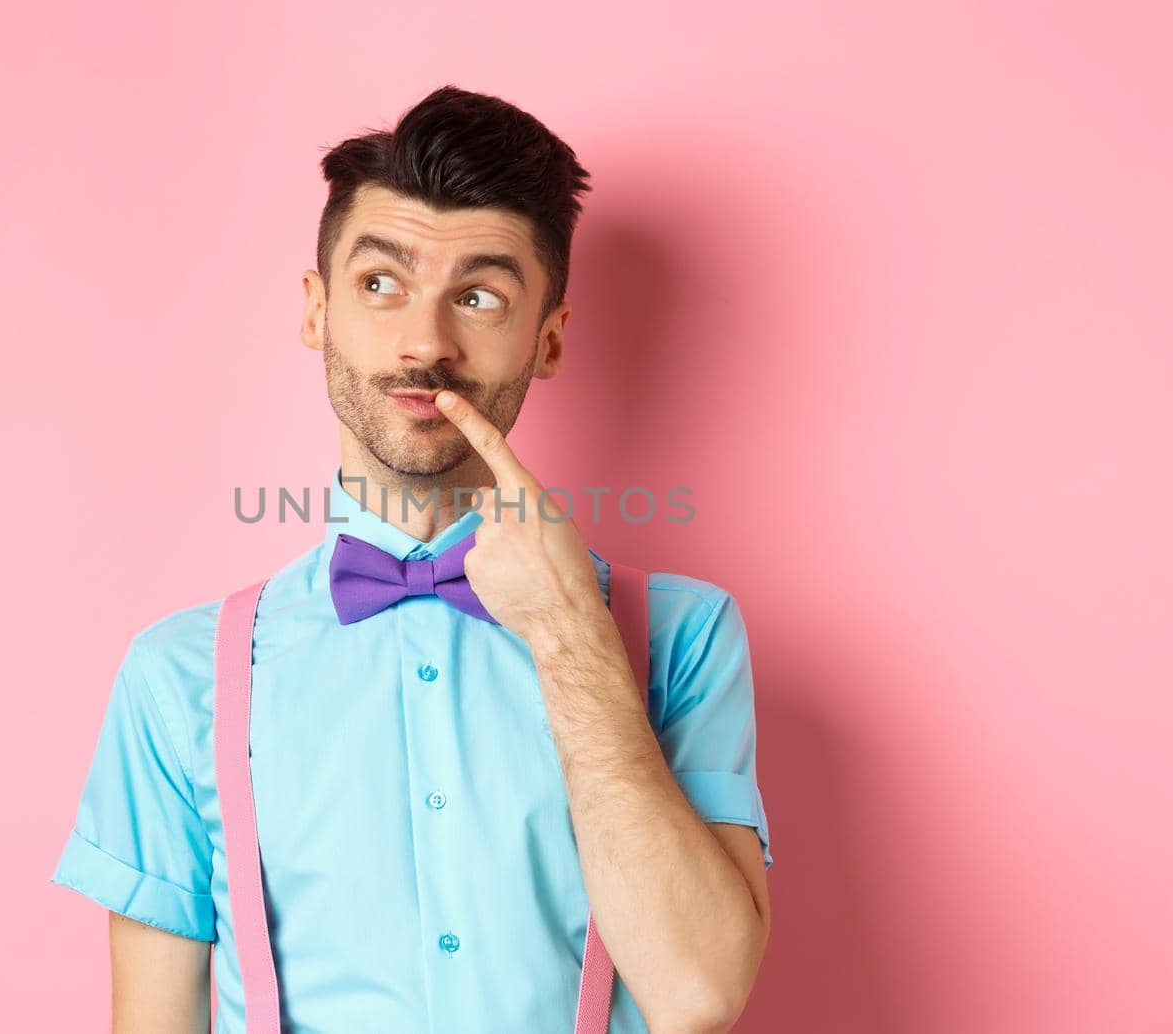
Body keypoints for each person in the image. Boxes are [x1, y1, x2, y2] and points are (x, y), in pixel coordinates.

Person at [50, 84, 773, 1033]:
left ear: (548, 339)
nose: (425, 342)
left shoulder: (684, 635)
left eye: (478, 295)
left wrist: (568, 633)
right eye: (381, 283)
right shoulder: (177, 675)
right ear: (317, 311)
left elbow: (700, 994)